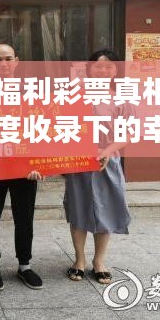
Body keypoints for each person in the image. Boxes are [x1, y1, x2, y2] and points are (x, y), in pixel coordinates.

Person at [63, 49, 132, 285]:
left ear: (116, 70)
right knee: (78, 209)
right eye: (98, 66)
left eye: (109, 66)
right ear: (89, 69)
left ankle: (99, 261)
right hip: (78, 161)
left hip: (107, 162)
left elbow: (129, 132)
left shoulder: (121, 99)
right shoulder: (74, 94)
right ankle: (79, 260)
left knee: (107, 210)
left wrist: (108, 151)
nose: (103, 71)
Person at [0, 43, 44, 291]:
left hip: (25, 168)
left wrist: (39, 163)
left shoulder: (33, 91)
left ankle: (25, 265)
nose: (3, 64)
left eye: (7, 58)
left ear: (17, 61)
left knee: (24, 217)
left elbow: (43, 129)